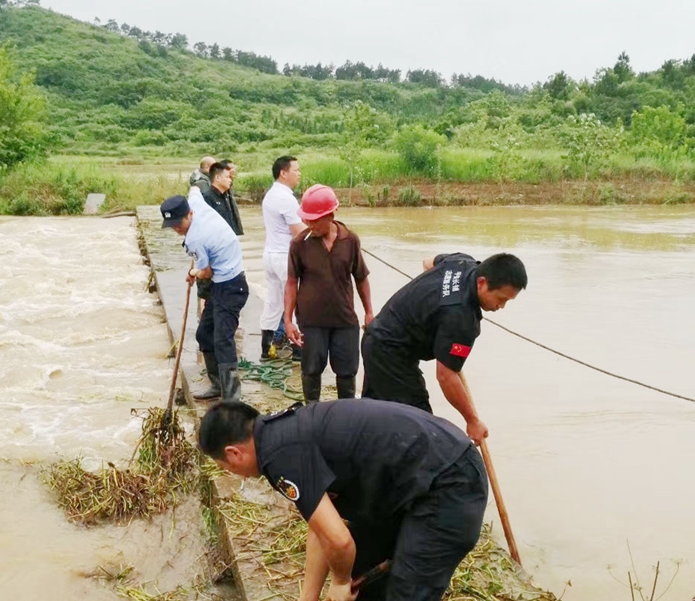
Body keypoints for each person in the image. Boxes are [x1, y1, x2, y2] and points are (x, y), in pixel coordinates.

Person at [198, 399, 488, 601]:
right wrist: (308, 597)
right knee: (363, 570)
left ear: (233, 453)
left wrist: (338, 582)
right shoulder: (279, 436)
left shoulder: (278, 457)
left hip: (449, 481)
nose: (236, 476)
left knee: (407, 591)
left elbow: (339, 541)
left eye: (226, 468)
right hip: (418, 476)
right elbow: (322, 525)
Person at [362, 252, 528, 444]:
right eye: (501, 298)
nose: (502, 306)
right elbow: (446, 376)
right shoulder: (461, 319)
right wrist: (472, 421)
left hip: (377, 338)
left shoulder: (461, 262)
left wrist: (432, 300)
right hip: (389, 355)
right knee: (419, 429)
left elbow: (428, 263)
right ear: (482, 282)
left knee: (376, 420)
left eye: (508, 301)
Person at [284, 184, 374, 402]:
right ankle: (311, 414)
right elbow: (291, 281)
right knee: (311, 370)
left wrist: (369, 312)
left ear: (330, 215)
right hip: (311, 320)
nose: (309, 224)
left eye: (314, 220)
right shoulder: (299, 244)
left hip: (344, 319)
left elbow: (361, 277)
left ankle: (345, 416)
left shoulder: (350, 240)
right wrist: (288, 320)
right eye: (307, 219)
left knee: (346, 372)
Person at [160, 195, 248, 402]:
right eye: (171, 225)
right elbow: (195, 190)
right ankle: (217, 385)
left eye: (179, 223)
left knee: (222, 339)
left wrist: (193, 274)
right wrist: (197, 269)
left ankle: (232, 398)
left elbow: (206, 272)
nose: (176, 229)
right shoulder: (197, 204)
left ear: (189, 214)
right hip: (220, 285)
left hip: (232, 285)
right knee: (205, 334)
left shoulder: (195, 239)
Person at [260, 156, 306, 360]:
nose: (299, 173)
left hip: (270, 255)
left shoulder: (271, 194)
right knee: (294, 301)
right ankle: (298, 351)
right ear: (283, 173)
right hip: (284, 257)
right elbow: (298, 231)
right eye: (296, 170)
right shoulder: (286, 198)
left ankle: (266, 348)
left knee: (274, 303)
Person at [203, 161, 243, 235]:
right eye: (227, 177)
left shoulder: (226, 196)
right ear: (217, 178)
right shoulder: (207, 198)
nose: (230, 180)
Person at [222, 159, 244, 236]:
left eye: (234, 168)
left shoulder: (229, 186)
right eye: (230, 168)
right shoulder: (222, 188)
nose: (234, 170)